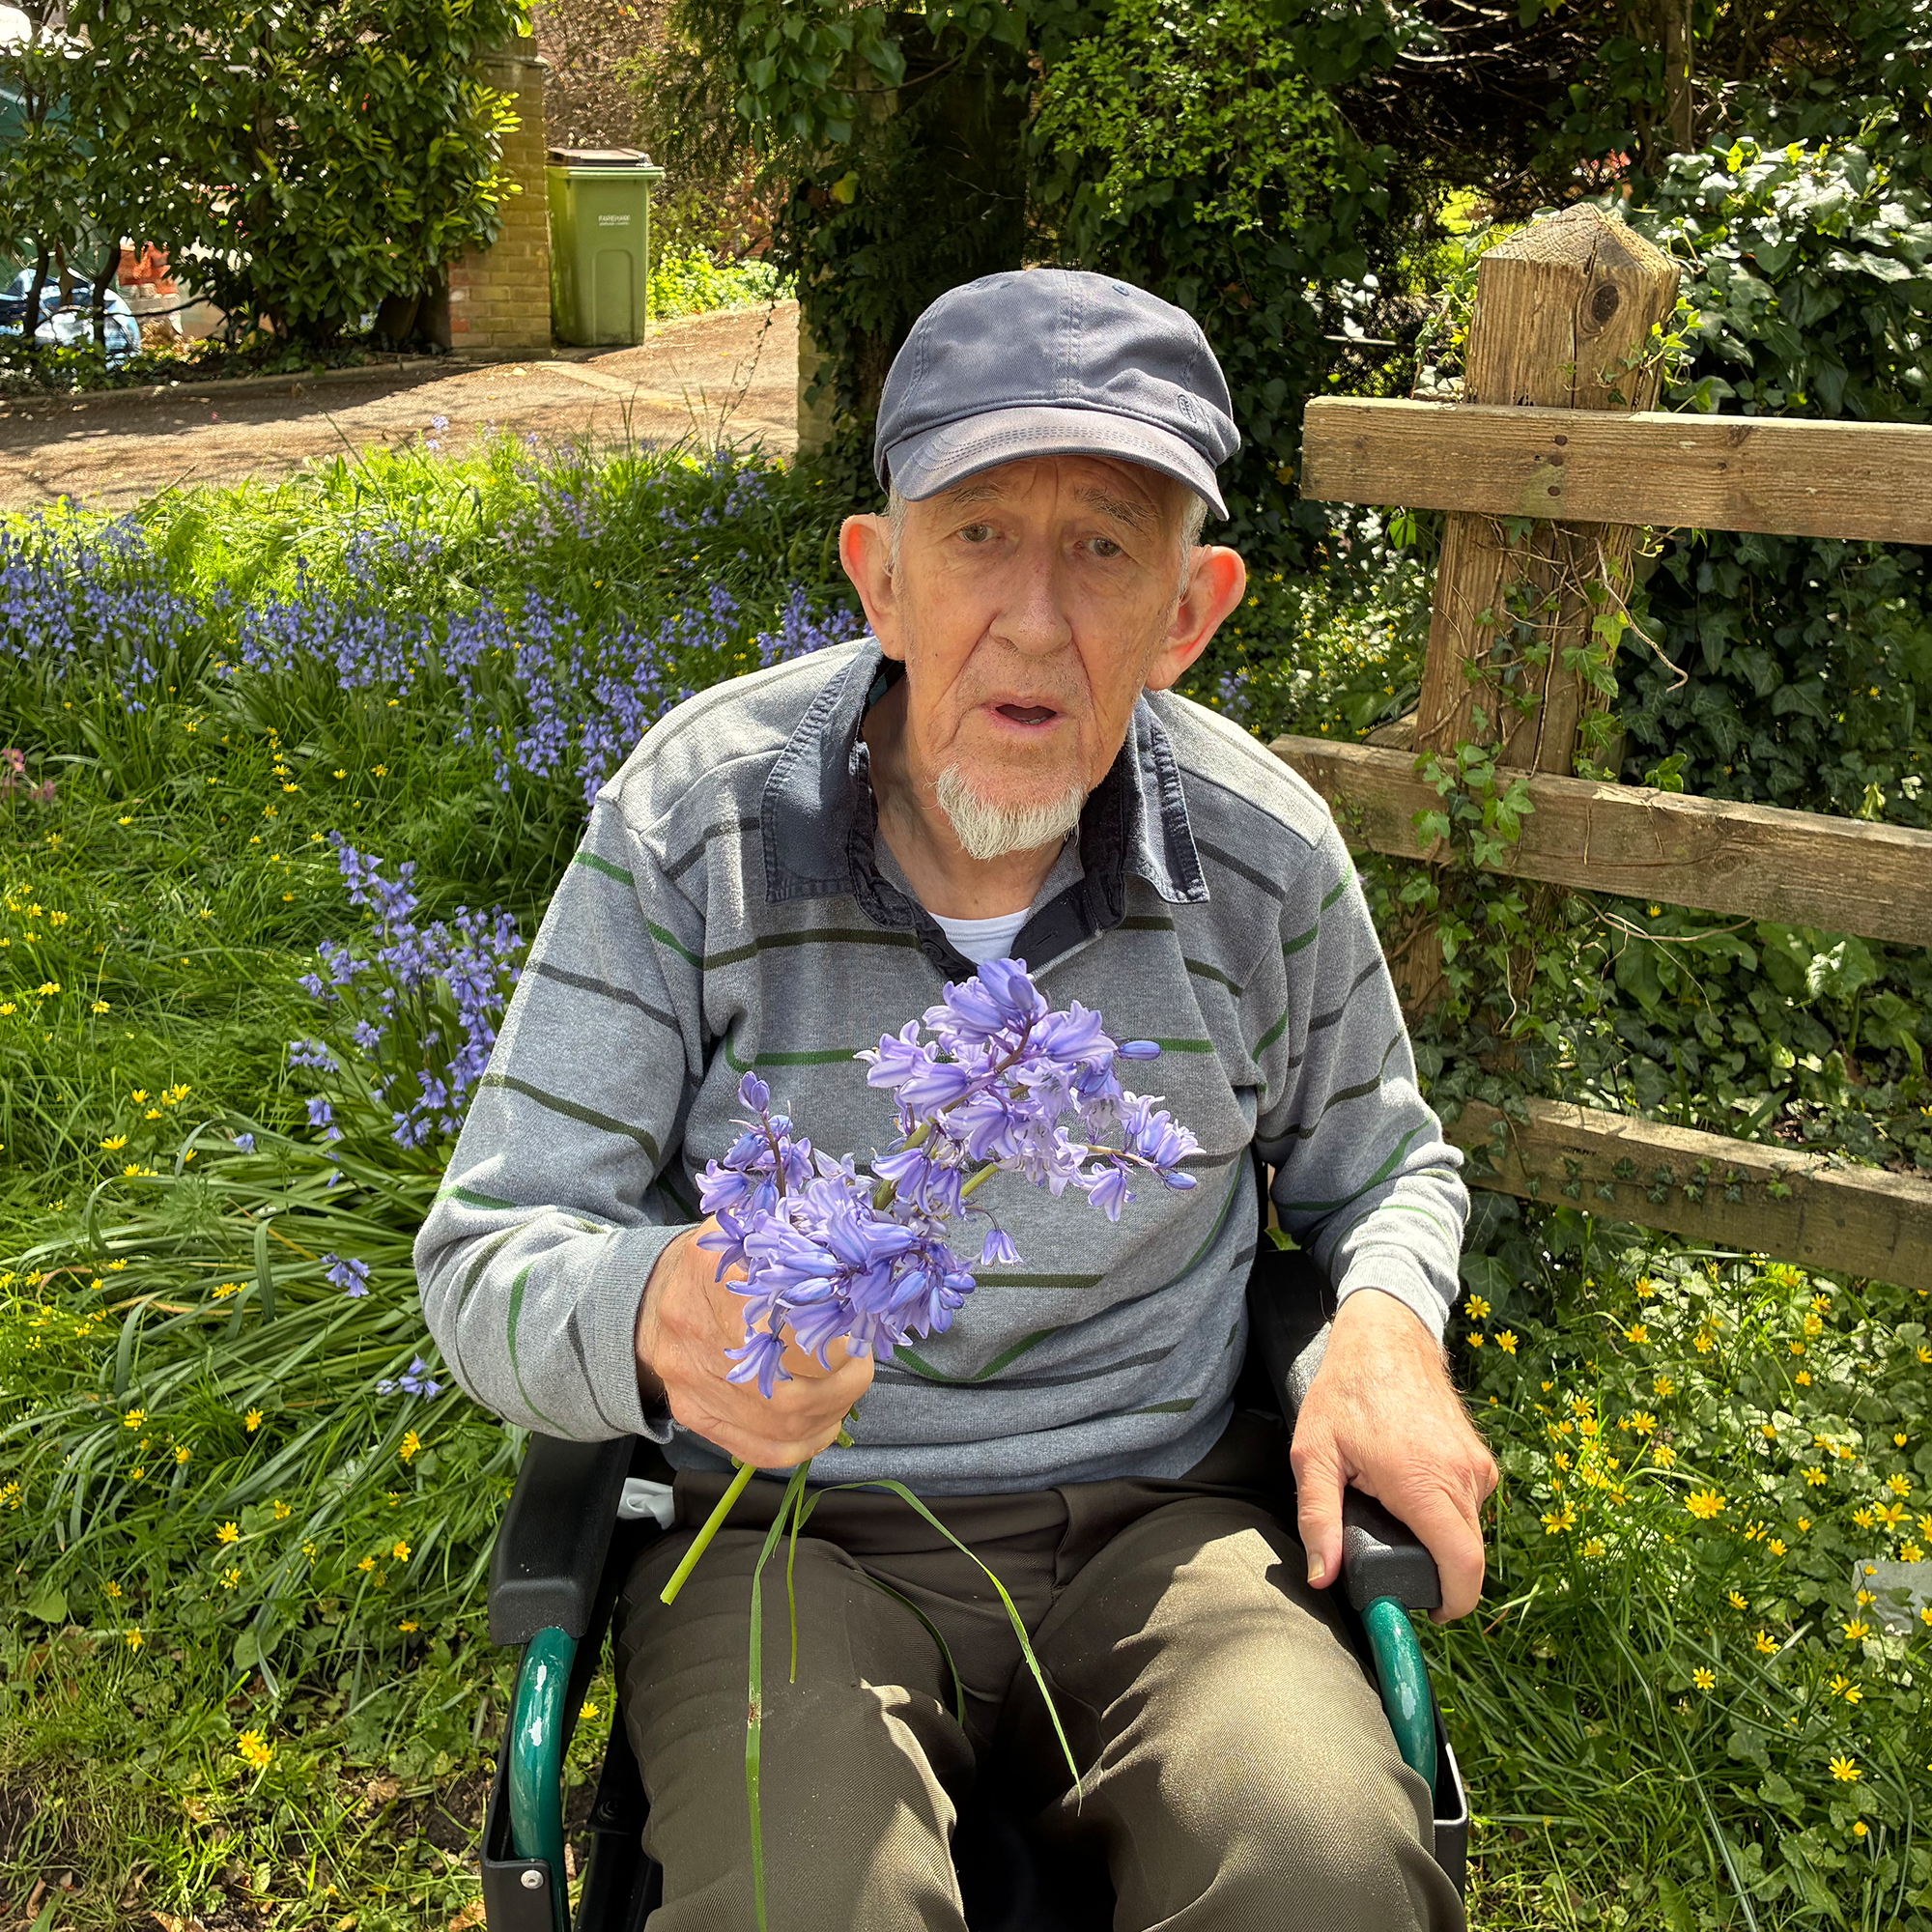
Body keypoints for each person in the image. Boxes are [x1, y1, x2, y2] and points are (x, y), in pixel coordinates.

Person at [415, 269, 1496, 1932]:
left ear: (1190, 612)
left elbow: (1388, 1166)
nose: (1037, 621)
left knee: (1325, 1869)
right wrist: (655, 1318)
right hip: (795, 1547)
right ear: (883, 579)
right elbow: (488, 1247)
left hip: (1170, 1530)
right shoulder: (695, 824)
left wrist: (1385, 1324)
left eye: (1106, 550)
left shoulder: (1264, 858)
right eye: (979, 535)